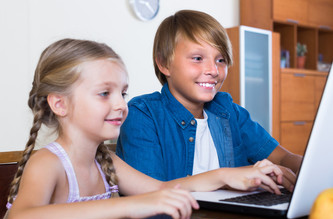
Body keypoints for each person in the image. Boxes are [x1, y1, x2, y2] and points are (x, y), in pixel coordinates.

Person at [0, 38, 285, 219]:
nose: (121, 104)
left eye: (122, 93)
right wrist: (130, 205)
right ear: (59, 104)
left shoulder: (105, 160)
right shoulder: (48, 163)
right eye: (104, 93)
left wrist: (228, 175)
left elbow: (162, 188)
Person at [116, 10, 302, 190]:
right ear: (164, 64)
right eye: (197, 58)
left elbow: (284, 158)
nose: (213, 70)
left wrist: (304, 165)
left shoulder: (230, 113)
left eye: (221, 60)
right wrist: (229, 176)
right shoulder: (143, 114)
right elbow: (152, 194)